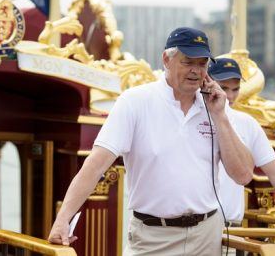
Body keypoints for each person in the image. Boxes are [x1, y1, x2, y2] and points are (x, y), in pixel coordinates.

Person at [48, 27, 254, 256]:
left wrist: (221, 116)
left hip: (207, 237)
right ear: (167, 59)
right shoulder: (135, 102)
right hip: (152, 239)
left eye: (202, 63)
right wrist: (62, 220)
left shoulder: (217, 106)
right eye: (188, 62)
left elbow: (243, 175)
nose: (196, 71)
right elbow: (95, 165)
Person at [208, 58, 275, 228]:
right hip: (191, 228)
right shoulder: (189, 117)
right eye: (223, 88)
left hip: (231, 232)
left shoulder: (247, 123)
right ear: (207, 81)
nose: (229, 96)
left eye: (235, 89)